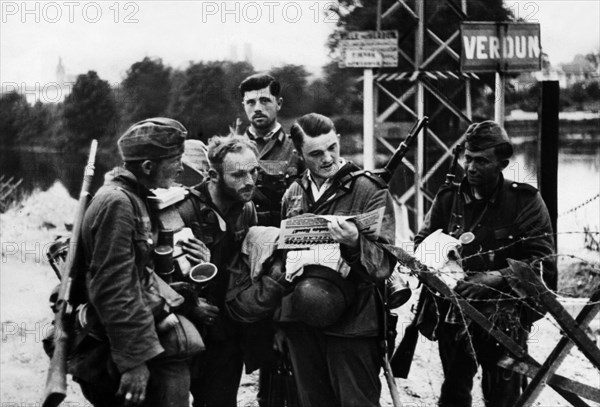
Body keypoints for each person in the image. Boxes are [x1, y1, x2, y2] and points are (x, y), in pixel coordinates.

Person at [414, 120, 557, 407]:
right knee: (454, 392)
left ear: (502, 164)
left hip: (504, 315)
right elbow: (421, 243)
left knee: (502, 396)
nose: (471, 167)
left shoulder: (524, 201)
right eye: (468, 158)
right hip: (454, 310)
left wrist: (495, 278)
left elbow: (542, 261)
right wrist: (439, 259)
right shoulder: (448, 198)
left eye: (481, 161)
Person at [74, 118, 203, 407]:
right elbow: (114, 288)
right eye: (176, 160)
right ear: (147, 167)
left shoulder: (131, 197)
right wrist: (134, 363)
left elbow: (137, 274)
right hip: (122, 347)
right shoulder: (118, 204)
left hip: (132, 338)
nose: (182, 168)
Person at [278, 113, 397, 407]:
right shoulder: (293, 193)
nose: (328, 159)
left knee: (357, 402)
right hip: (303, 319)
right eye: (316, 153)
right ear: (299, 154)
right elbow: (283, 261)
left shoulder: (369, 190)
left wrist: (356, 242)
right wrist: (280, 324)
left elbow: (386, 262)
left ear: (339, 141)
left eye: (332, 147)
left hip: (355, 321)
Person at [176, 135, 290, 407]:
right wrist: (191, 305)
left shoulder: (246, 209)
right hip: (186, 325)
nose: (250, 181)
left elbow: (245, 266)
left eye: (254, 171)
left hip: (225, 329)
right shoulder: (184, 210)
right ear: (213, 175)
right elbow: (157, 276)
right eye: (239, 174)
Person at [239, 73, 303, 227]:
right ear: (244, 105)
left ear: (279, 103)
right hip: (241, 240)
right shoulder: (231, 151)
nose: (258, 108)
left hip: (284, 237)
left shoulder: (297, 147)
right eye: (251, 102)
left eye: (265, 100)